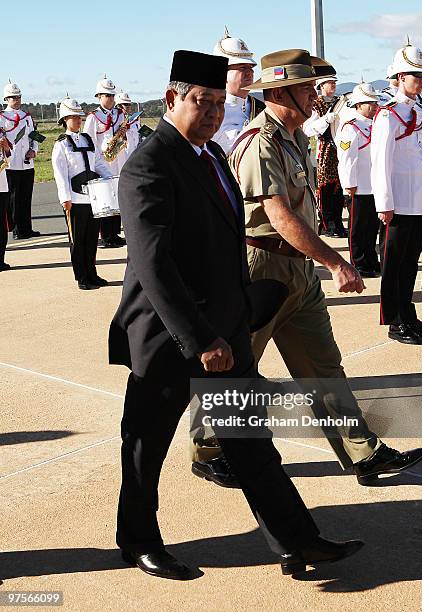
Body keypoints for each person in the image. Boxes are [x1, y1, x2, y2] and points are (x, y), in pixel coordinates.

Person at [109, 49, 364, 580]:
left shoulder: (213, 157)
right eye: (202, 102)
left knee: (250, 444)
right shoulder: (148, 166)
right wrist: (201, 337)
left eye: (221, 104)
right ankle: (138, 541)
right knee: (145, 448)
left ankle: (298, 541)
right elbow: (154, 266)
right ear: (173, 97)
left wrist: (237, 321)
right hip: (169, 338)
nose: (213, 114)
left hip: (224, 332)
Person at [225, 48, 422, 487]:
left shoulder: (294, 135)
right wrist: (336, 262)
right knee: (236, 366)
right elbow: (279, 215)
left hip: (298, 270)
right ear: (279, 92)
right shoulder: (261, 142)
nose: (314, 97)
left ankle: (362, 453)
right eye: (304, 89)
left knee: (323, 366)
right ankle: (212, 449)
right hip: (263, 267)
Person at [371, 43, 422, 345]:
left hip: (417, 200)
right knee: (394, 265)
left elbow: (420, 154)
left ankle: (408, 315)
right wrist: (384, 204)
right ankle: (394, 321)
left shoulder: (419, 110)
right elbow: (380, 162)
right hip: (397, 202)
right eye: (416, 75)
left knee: (410, 262)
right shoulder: (388, 114)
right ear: (400, 77)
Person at [52, 97, 112, 290]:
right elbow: (60, 173)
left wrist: (111, 179)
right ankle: (82, 277)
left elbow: (99, 163)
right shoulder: (61, 144)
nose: (79, 120)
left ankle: (92, 273)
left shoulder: (87, 139)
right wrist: (65, 198)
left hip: (93, 198)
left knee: (91, 238)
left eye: (79, 117)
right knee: (78, 241)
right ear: (65, 120)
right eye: (74, 117)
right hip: (74, 200)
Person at [336, 82, 380, 277]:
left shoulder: (376, 124)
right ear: (358, 105)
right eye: (369, 103)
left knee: (372, 228)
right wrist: (349, 184)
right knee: (357, 228)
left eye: (374, 102)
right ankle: (359, 263)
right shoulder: (350, 128)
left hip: (374, 186)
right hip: (358, 186)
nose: (373, 106)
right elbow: (346, 158)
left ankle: (371, 260)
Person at [84, 76, 126, 249]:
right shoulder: (94, 117)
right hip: (103, 162)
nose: (110, 98)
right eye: (106, 95)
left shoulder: (119, 114)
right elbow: (89, 140)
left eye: (111, 95)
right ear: (99, 97)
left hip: (118, 159)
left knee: (118, 197)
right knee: (106, 199)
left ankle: (115, 232)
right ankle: (106, 235)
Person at [303, 74, 347, 237]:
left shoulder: (338, 102)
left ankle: (337, 223)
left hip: (339, 149)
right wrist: (326, 121)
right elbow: (308, 129)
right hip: (324, 150)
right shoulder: (316, 104)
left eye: (334, 82)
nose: (333, 85)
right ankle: (327, 225)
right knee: (326, 188)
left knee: (338, 189)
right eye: (330, 83)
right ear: (322, 86)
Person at [212, 27, 264, 154]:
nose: (250, 72)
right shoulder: (211, 111)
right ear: (222, 73)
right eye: (242, 67)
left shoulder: (261, 108)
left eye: (251, 67)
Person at [0, 81, 40, 240]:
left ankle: (27, 228)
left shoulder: (27, 116)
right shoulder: (2, 117)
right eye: (13, 97)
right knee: (15, 199)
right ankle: (17, 229)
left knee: (26, 197)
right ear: (6, 99)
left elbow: (34, 135)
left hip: (27, 163)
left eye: (18, 97)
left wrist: (34, 150)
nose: (16, 100)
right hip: (12, 164)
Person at [114, 91, 141, 166]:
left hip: (133, 156)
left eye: (129, 104)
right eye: (126, 104)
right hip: (121, 157)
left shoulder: (134, 121)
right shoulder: (114, 121)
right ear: (119, 106)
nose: (128, 106)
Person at [0, 131, 11, 270]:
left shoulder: (1, 135)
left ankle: (0, 260)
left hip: (1, 187)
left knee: (2, 226)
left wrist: (7, 148)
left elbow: (9, 161)